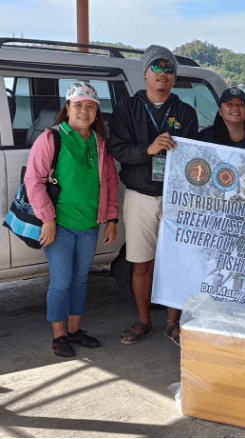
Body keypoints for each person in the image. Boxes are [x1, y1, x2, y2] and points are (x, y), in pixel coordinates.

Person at [108, 45, 199, 346]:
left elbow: (194, 158)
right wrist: (147, 150)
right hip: (140, 195)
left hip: (176, 197)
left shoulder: (184, 112)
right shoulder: (126, 108)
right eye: (157, 68)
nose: (163, 74)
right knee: (140, 262)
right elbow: (117, 149)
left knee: (174, 261)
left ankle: (173, 323)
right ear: (145, 72)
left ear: (175, 76)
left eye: (169, 68)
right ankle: (144, 320)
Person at [25, 82, 119, 358]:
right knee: (61, 281)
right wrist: (48, 219)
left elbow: (110, 184)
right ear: (67, 108)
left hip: (89, 225)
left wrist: (111, 218)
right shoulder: (51, 138)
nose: (84, 111)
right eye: (78, 105)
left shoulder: (100, 144)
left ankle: (76, 330)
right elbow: (33, 181)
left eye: (91, 106)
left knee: (80, 281)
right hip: (60, 225)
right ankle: (59, 335)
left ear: (97, 112)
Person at [197, 87, 245, 152]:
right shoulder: (205, 138)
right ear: (220, 110)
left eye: (241, 105)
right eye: (229, 104)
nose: (235, 108)